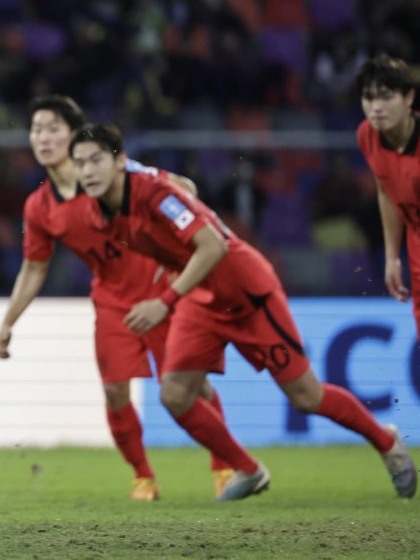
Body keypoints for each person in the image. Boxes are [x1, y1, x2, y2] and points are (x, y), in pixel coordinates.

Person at [68, 123, 417, 501]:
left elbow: (213, 244)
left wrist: (164, 299)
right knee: (175, 394)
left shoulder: (153, 193)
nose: (87, 171)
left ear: (120, 161)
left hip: (248, 293)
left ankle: (386, 441)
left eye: (96, 160)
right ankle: (248, 470)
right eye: (80, 163)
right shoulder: (99, 211)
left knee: (306, 397)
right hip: (201, 301)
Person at [0, 95, 233, 501]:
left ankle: (225, 465)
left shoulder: (110, 173)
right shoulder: (39, 207)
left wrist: (183, 248)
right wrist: (8, 321)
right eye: (36, 130)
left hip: (162, 292)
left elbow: (185, 187)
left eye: (53, 129)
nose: (43, 138)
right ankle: (143, 477)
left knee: (193, 387)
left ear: (74, 136)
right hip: (111, 300)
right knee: (113, 390)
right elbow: (34, 268)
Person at [355, 55, 420, 336]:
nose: (376, 108)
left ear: (409, 97)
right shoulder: (367, 135)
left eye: (386, 97)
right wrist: (392, 256)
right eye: (369, 99)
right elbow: (385, 189)